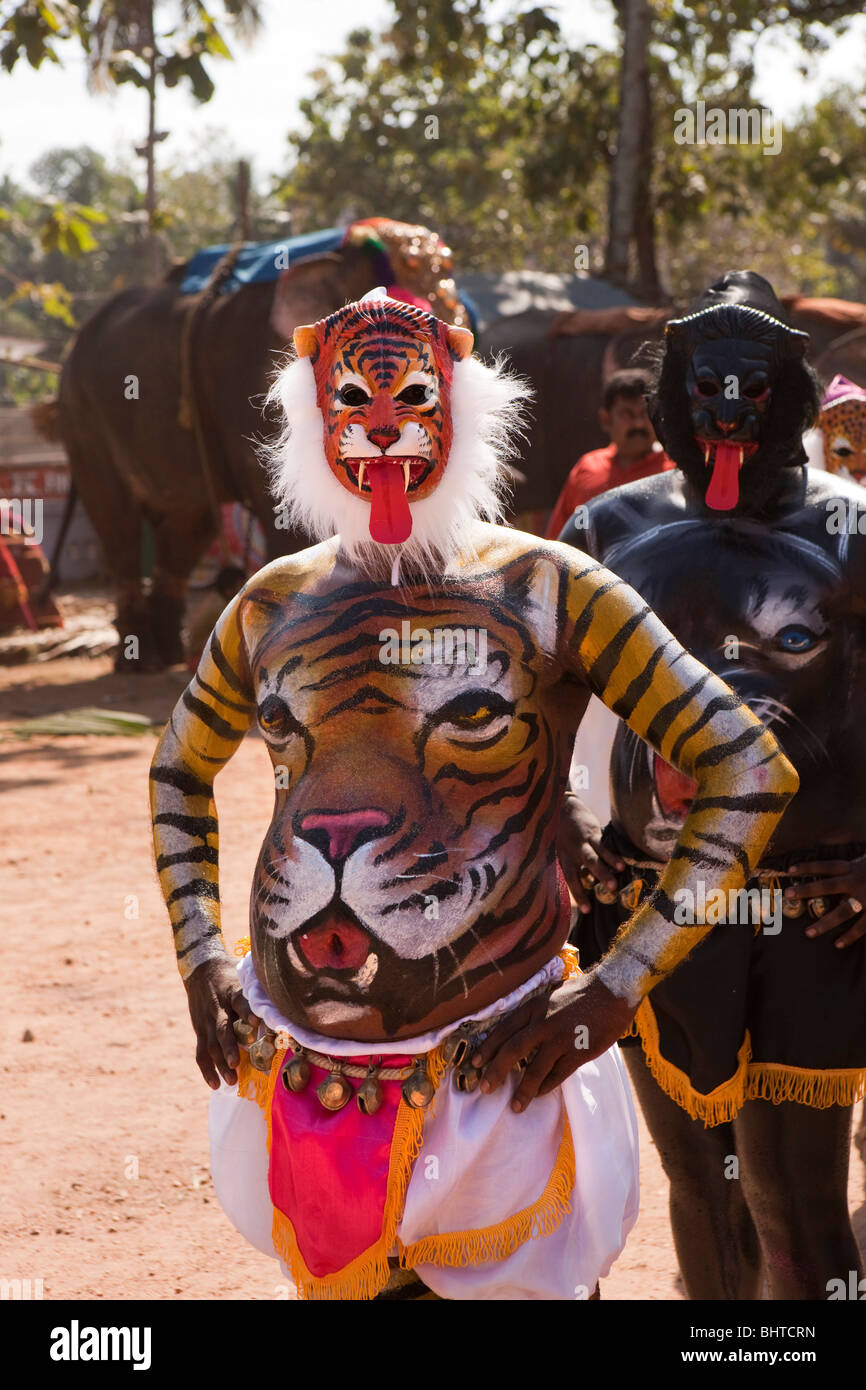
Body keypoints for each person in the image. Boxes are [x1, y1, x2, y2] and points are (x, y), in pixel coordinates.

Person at [149, 287, 796, 1300]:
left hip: (501, 1079)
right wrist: (198, 958)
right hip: (307, 1073)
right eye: (352, 401)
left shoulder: (546, 585)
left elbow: (746, 765)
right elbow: (180, 767)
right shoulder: (273, 599)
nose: (383, 429)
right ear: (311, 419)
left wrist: (619, 985)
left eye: (411, 396)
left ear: (463, 404)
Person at [558, 270, 866, 1300]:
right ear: (669, 393)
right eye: (706, 385)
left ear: (787, 387)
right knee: (701, 1185)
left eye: (750, 385)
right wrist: (566, 842)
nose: (727, 408)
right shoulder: (601, 534)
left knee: (799, 1202)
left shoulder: (852, 530)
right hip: (653, 909)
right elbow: (543, 709)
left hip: (812, 913)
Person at [545, 368, 673, 539]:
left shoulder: (674, 472)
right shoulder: (587, 468)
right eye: (627, 414)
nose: (639, 424)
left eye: (645, 413)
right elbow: (558, 543)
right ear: (606, 420)